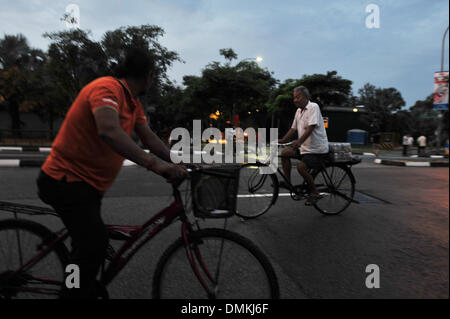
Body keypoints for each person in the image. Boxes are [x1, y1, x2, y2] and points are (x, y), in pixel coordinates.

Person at [36, 48, 186, 299]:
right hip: (65, 181)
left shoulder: (133, 102)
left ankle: (78, 286)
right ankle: (71, 294)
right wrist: (155, 165)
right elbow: (109, 131)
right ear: (148, 77)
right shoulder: (107, 88)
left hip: (88, 187)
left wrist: (180, 161)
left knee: (88, 242)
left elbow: (149, 138)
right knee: (90, 246)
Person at [277, 86, 329, 205]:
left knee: (301, 167)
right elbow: (293, 128)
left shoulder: (313, 107)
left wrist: (299, 141)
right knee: (285, 153)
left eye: (298, 97)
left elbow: (311, 127)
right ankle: (288, 182)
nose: (295, 100)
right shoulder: (298, 111)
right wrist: (283, 140)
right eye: (294, 97)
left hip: (317, 149)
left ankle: (315, 192)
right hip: (304, 148)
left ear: (306, 97)